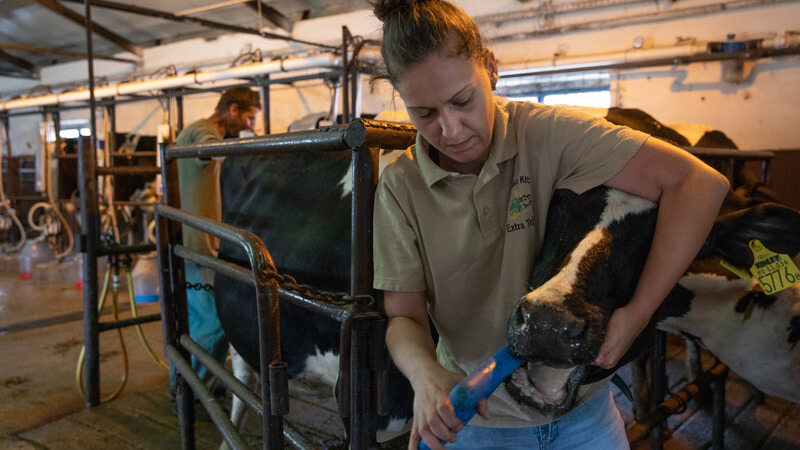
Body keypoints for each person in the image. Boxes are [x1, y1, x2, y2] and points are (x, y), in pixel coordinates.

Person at [370, 1, 730, 449]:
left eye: (463, 100)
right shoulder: (400, 187)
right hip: (476, 417)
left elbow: (698, 183)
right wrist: (425, 375)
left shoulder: (548, 134)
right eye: (424, 114)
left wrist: (636, 315)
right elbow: (402, 315)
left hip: (584, 413)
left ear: (490, 68)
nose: (452, 129)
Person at [170, 86, 261, 396]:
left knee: (212, 321)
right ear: (232, 110)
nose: (250, 124)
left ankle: (202, 386)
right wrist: (249, 148)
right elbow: (207, 148)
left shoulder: (204, 131)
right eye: (248, 118)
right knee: (210, 322)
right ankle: (192, 394)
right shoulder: (202, 131)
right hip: (196, 246)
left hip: (204, 243)